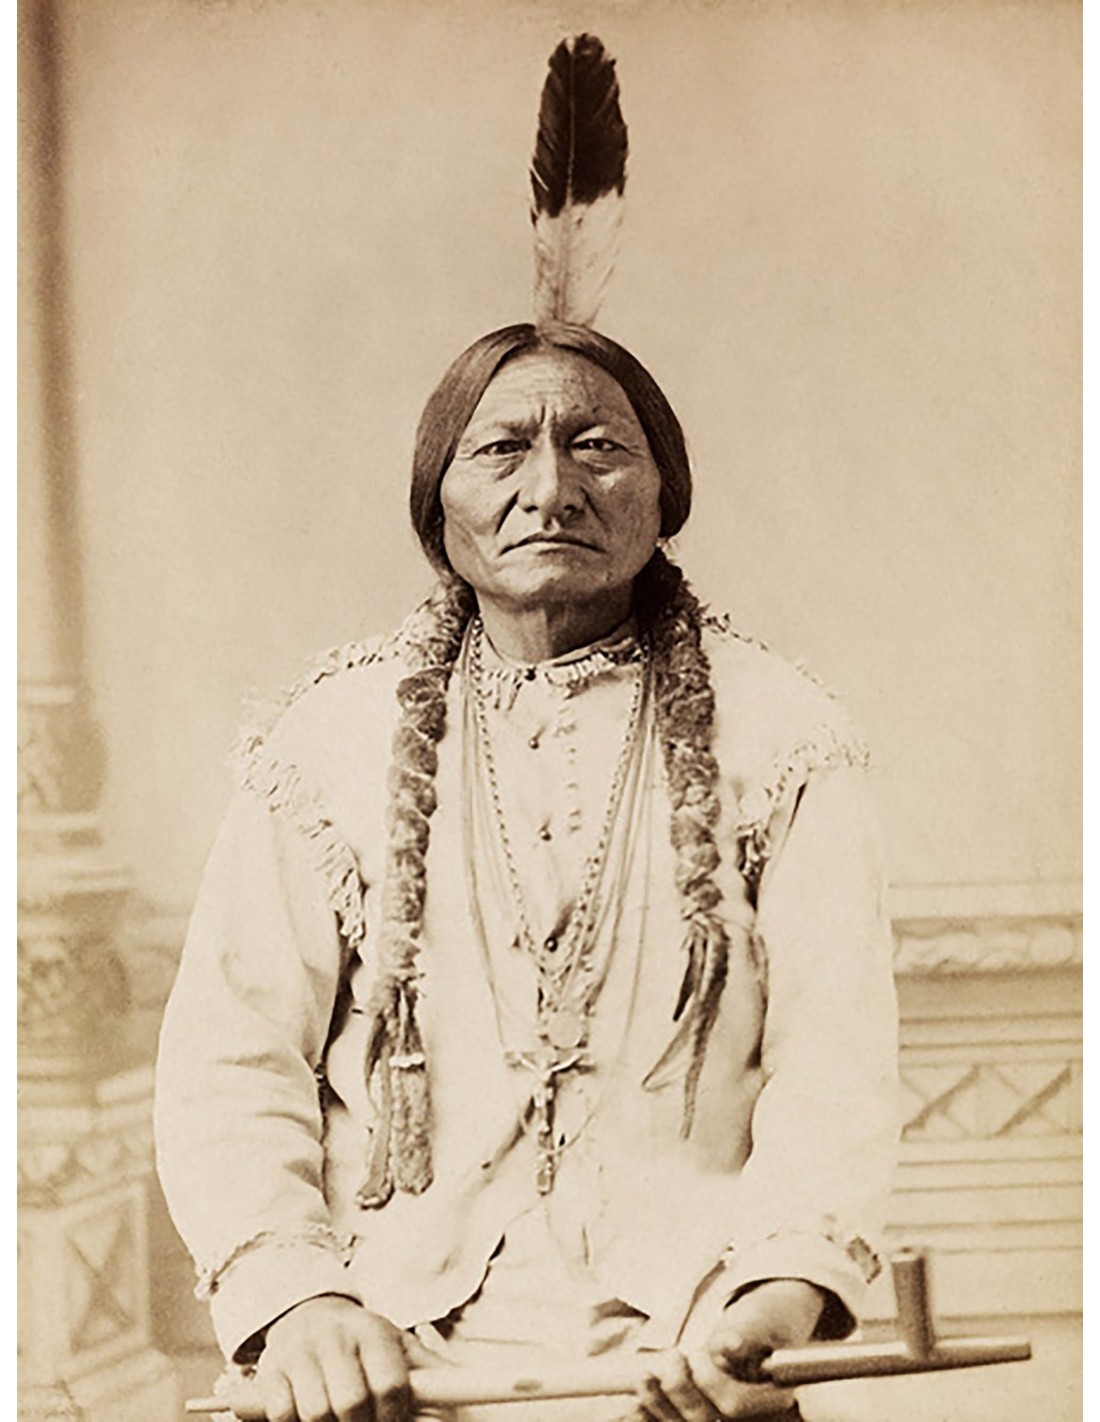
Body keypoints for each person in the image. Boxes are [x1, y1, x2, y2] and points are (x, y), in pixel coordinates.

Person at [155, 321, 899, 1422]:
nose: (551, 489)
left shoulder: (784, 737)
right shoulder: (329, 742)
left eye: (597, 446)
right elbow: (231, 1057)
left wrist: (769, 1307)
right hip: (386, 1354)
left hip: (690, 1344)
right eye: (502, 449)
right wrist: (300, 1303)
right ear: (436, 507)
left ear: (664, 494)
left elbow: (835, 1067)